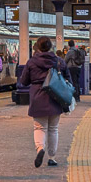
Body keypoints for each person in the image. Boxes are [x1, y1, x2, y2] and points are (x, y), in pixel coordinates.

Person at [20, 36, 72, 168]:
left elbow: (24, 81)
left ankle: (40, 149)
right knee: (53, 129)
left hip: (38, 96)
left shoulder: (32, 62)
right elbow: (68, 79)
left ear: (37, 47)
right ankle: (52, 157)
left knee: (39, 127)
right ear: (51, 47)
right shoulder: (59, 61)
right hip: (56, 96)